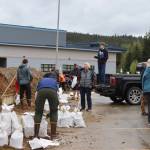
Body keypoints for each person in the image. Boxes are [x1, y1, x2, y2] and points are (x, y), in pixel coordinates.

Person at [34, 72, 59, 140]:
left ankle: (36, 135)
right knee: (54, 111)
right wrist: (56, 105)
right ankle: (53, 135)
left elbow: (36, 93)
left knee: (38, 112)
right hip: (52, 91)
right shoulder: (55, 81)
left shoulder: (41, 80)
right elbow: (57, 93)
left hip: (41, 91)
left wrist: (37, 105)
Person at [142, 59, 150, 124]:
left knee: (149, 105)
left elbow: (143, 80)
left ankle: (149, 121)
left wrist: (143, 89)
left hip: (146, 90)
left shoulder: (146, 70)